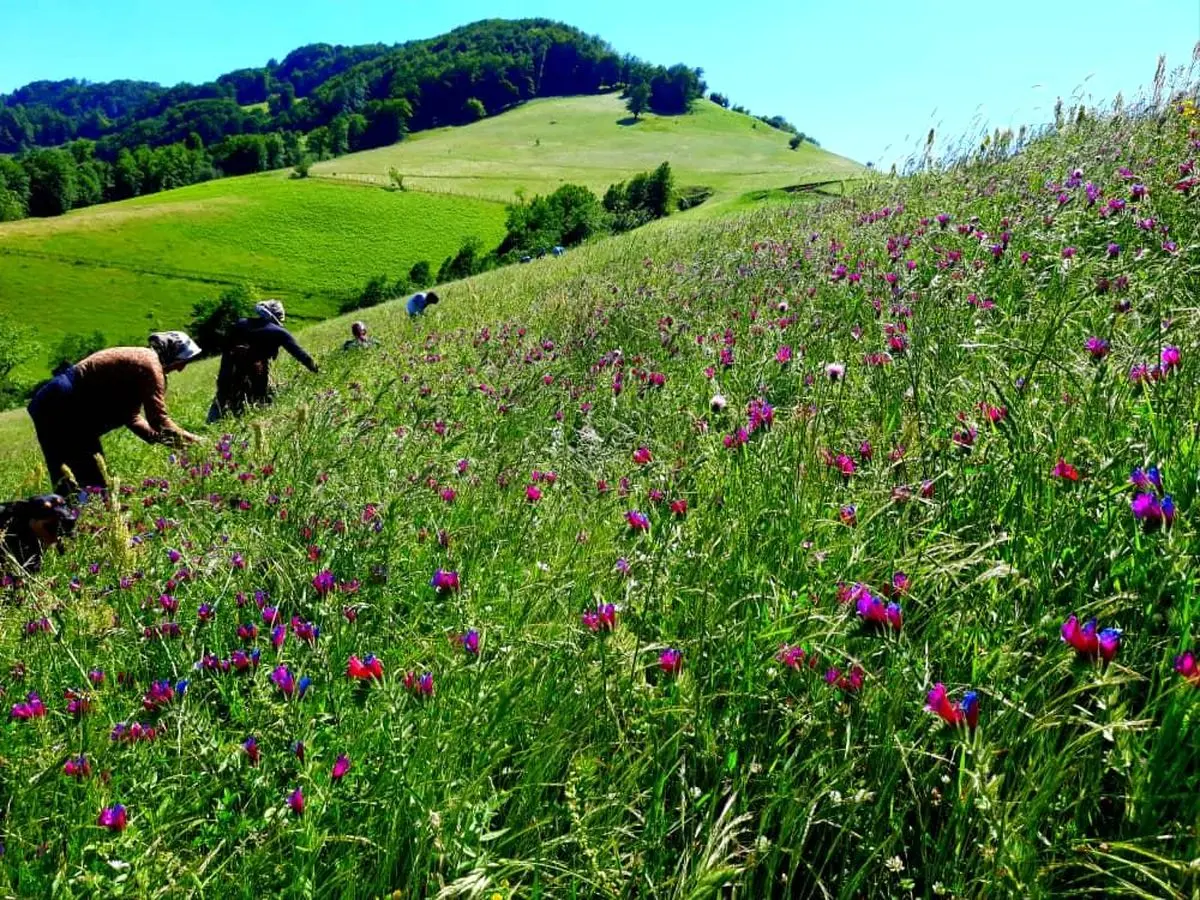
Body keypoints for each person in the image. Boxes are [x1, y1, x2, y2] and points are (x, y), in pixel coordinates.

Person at [27, 332, 203, 493]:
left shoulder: (141, 360)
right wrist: (198, 443)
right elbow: (159, 420)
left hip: (52, 401)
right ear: (172, 354)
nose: (181, 369)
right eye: (183, 361)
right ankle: (84, 518)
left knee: (69, 477)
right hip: (65, 404)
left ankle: (70, 520)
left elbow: (130, 416)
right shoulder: (150, 365)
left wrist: (159, 438)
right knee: (88, 478)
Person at [208, 300, 318, 423]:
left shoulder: (240, 323)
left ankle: (211, 423)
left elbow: (226, 348)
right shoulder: (280, 333)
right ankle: (245, 424)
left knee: (222, 398)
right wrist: (316, 369)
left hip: (229, 370)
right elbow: (300, 354)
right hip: (256, 374)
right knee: (256, 402)